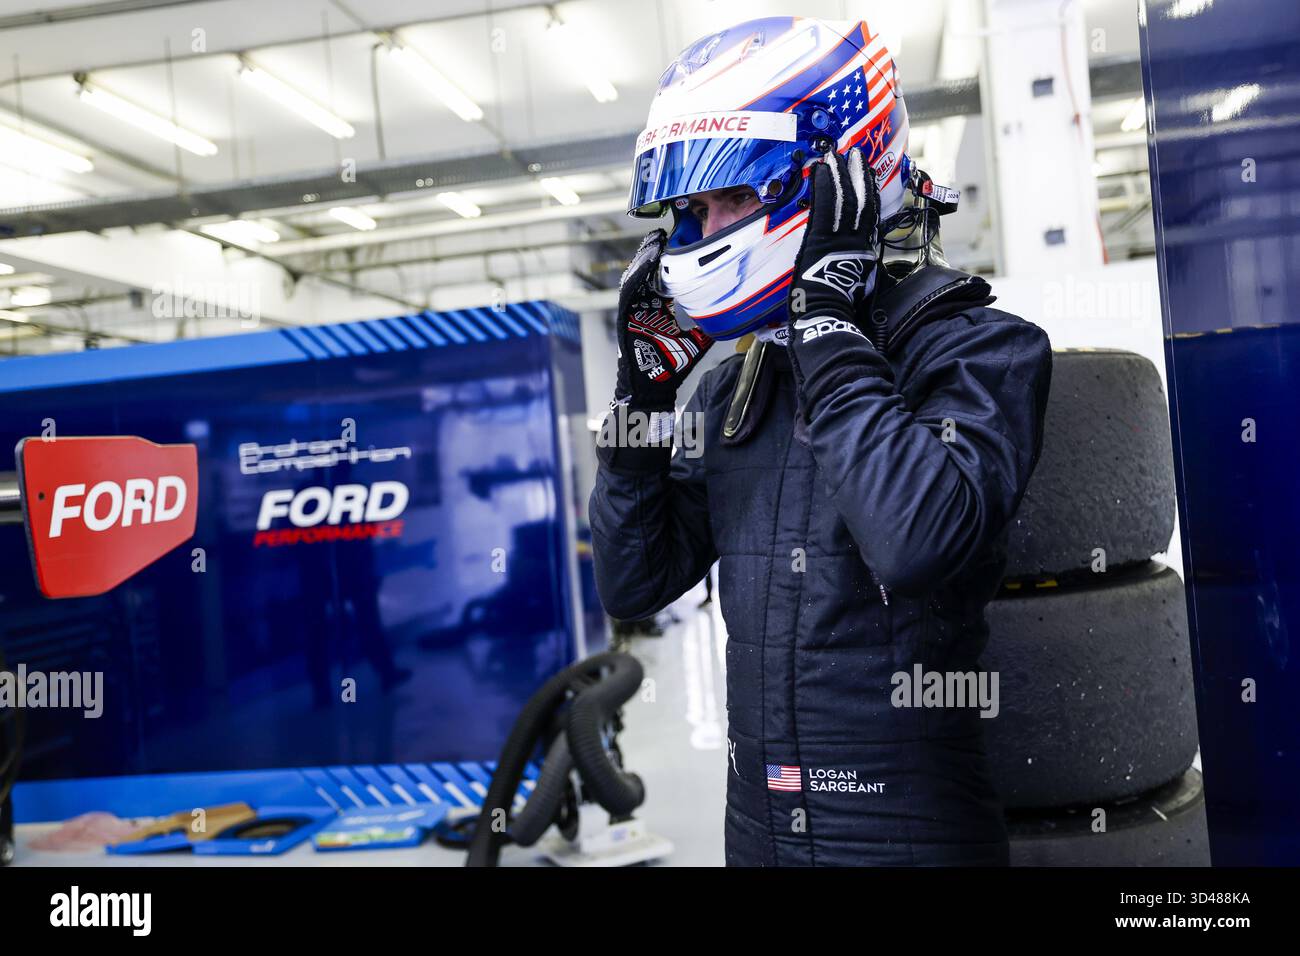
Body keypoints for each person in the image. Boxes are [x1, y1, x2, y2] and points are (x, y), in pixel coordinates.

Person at [589, 17, 1052, 866]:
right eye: (692, 210)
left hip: (906, 832)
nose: (706, 228)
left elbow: (916, 544)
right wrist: (642, 404)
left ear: (841, 178)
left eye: (737, 196)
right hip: (757, 829)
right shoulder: (738, 386)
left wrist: (831, 328)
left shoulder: (980, 346)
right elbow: (633, 585)